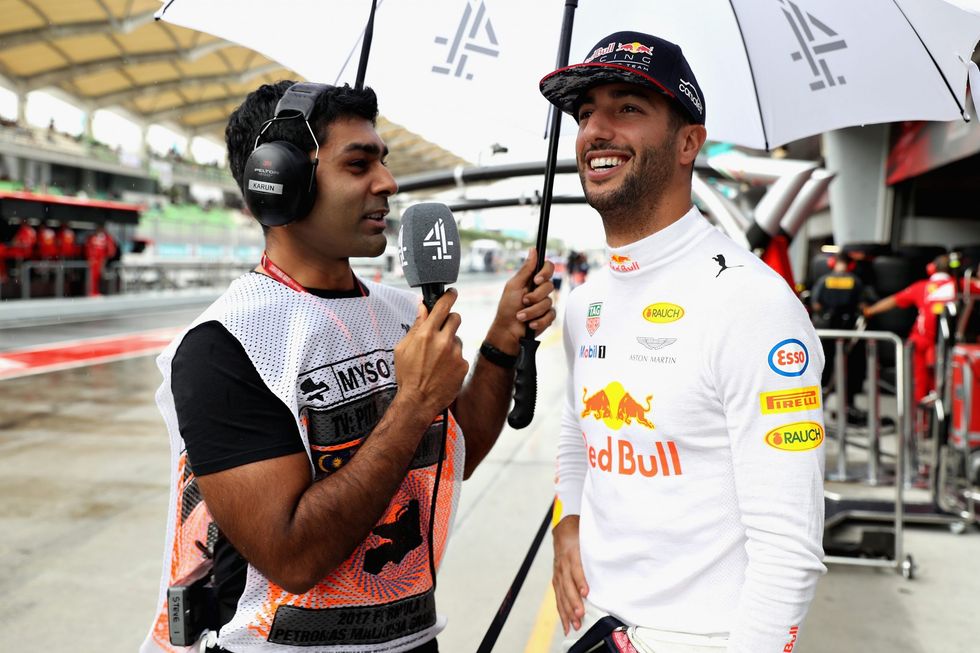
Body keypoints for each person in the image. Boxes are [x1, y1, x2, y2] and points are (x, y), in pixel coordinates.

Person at [141, 81, 556, 653]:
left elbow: (454, 457)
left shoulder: (399, 312)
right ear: (280, 183)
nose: (387, 183)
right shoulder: (222, 346)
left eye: (383, 162)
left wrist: (504, 337)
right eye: (359, 164)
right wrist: (410, 404)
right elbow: (293, 555)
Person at [538, 30, 826, 652]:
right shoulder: (586, 300)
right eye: (586, 113)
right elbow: (575, 425)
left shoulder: (754, 304)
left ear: (688, 142)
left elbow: (790, 549)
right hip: (592, 624)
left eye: (628, 108)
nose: (596, 129)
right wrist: (569, 522)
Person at [863, 254, 958, 410]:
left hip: (921, 341)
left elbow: (893, 300)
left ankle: (920, 425)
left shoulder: (921, 286)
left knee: (919, 387)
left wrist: (869, 311)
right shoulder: (960, 285)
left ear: (931, 269)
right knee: (947, 387)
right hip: (950, 345)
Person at [810, 252, 876, 422]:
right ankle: (848, 406)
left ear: (833, 263)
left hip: (827, 330)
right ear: (850, 265)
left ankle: (818, 405)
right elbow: (863, 305)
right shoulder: (855, 281)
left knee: (823, 367)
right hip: (849, 331)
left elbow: (815, 304)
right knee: (850, 368)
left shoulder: (824, 280)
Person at [83, 223, 117, 296]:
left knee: (101, 277)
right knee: (92, 278)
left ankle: (100, 292)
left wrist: (105, 259)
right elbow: (88, 248)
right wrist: (90, 258)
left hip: (102, 261)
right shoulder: (92, 237)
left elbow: (111, 251)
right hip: (93, 262)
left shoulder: (107, 238)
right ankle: (92, 293)